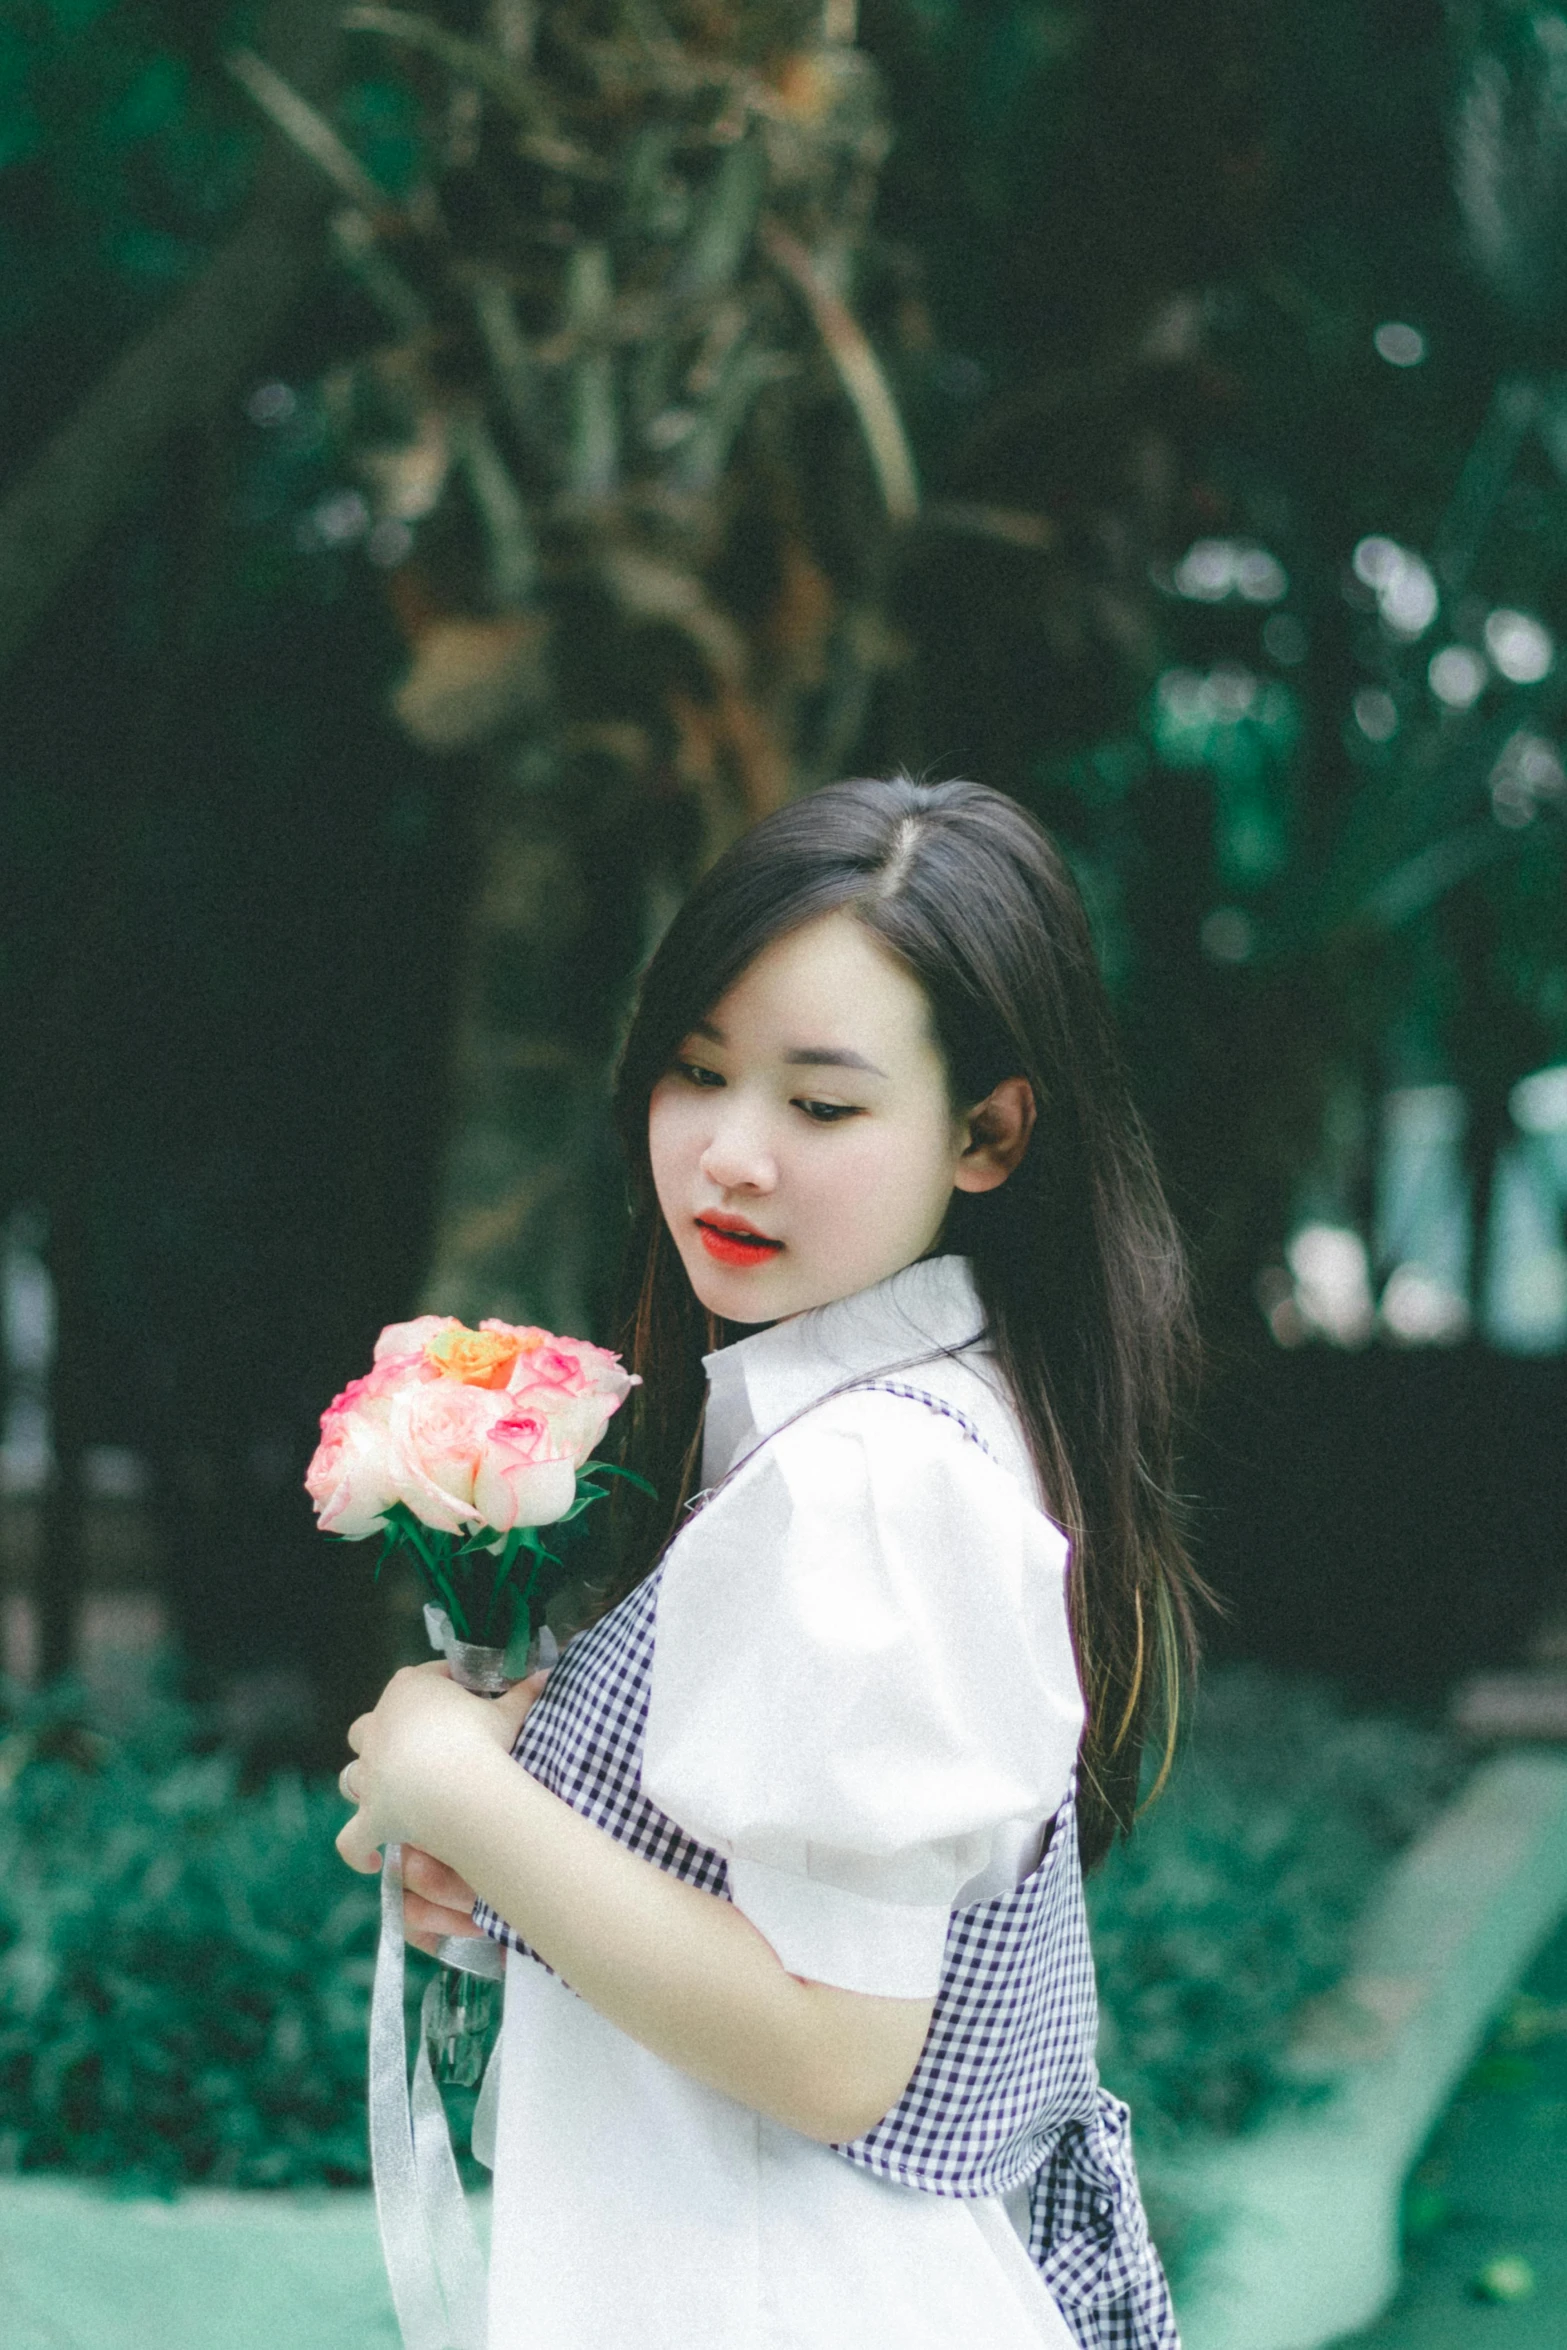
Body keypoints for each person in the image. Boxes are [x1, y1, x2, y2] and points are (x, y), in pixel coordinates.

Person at [335, 776, 1199, 2350]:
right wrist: (520, 1869)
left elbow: (832, 2050)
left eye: (819, 1103)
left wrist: (458, 1787)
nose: (728, 1155)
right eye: (695, 1071)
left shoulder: (867, 1479)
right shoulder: (880, 1432)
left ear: (988, 1131)